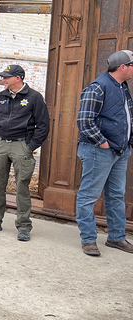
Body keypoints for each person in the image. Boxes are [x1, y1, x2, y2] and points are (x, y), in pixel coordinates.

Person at [0, 64, 49, 241]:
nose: (3, 80)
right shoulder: (0, 97)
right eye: (3, 77)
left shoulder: (34, 98)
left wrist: (30, 146)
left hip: (21, 145)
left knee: (22, 186)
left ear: (18, 78)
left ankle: (24, 226)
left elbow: (43, 125)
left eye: (6, 77)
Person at [75, 50, 133, 256]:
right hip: (98, 150)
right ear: (122, 67)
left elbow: (127, 117)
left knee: (116, 195)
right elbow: (84, 121)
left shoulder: (122, 87)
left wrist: (128, 142)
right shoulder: (98, 87)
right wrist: (102, 143)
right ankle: (88, 239)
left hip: (121, 150)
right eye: (132, 65)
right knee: (88, 195)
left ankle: (116, 237)